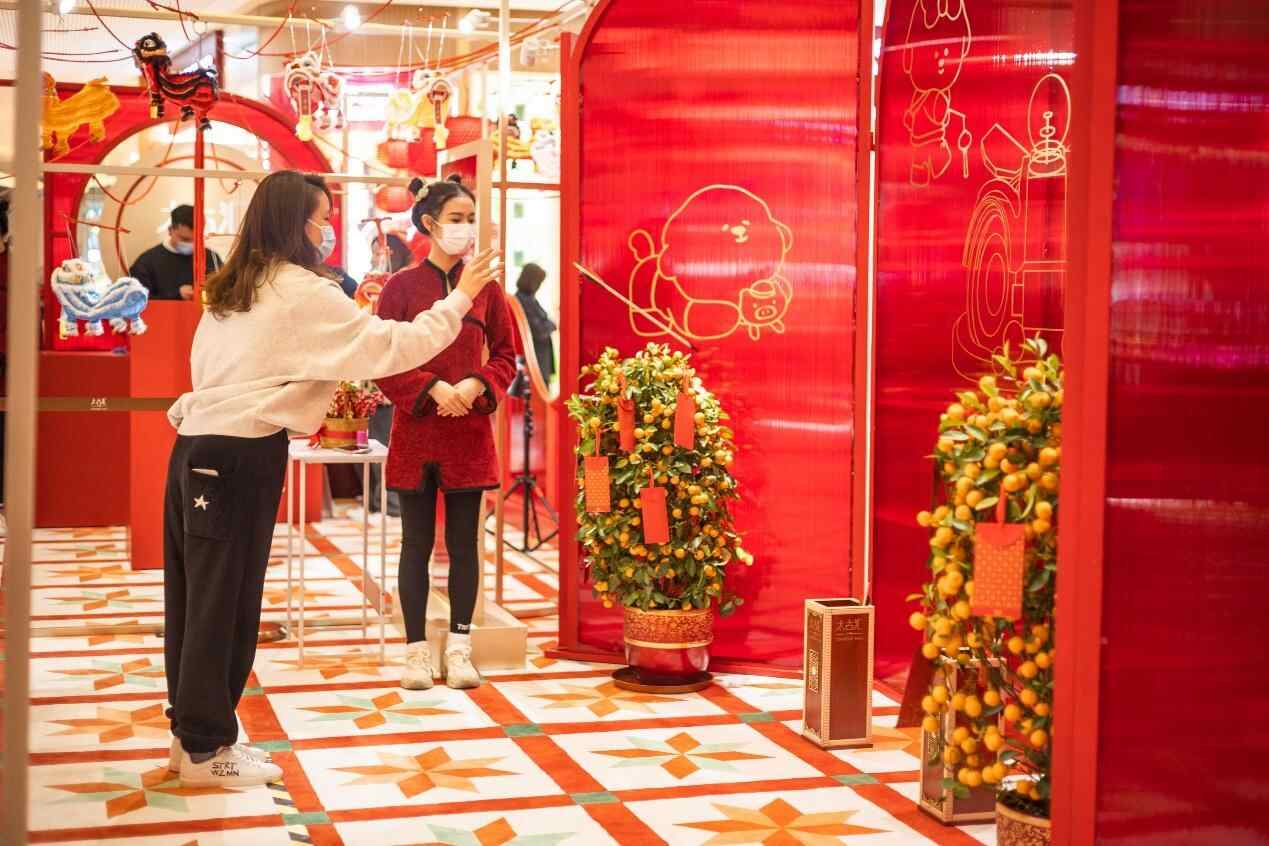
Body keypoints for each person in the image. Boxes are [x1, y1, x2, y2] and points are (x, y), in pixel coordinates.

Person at [162, 170, 499, 788]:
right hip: (238, 455)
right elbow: (390, 346)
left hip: (198, 448)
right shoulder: (300, 291)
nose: (327, 232)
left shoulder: (236, 285)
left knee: (198, 598)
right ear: (296, 223)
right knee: (224, 602)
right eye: (321, 220)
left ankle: (195, 738)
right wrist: (461, 298)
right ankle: (206, 750)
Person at [375, 175, 516, 691]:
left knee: (464, 544)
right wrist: (432, 388)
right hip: (417, 432)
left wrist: (477, 383)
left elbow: (507, 356)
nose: (466, 229)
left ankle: (459, 648)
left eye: (471, 219)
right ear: (430, 224)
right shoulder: (399, 288)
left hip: (468, 432)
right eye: (456, 219)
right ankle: (415, 651)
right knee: (414, 543)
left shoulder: (488, 290)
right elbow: (382, 358)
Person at [368, 232, 415, 517]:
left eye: (380, 252)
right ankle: (379, 500)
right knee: (377, 441)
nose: (376, 257)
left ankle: (391, 503)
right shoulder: (373, 282)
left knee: (388, 442)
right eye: (374, 252)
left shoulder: (404, 283)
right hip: (377, 373)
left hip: (399, 372)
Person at [129, 204, 222, 300]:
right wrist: (176, 295)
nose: (191, 243)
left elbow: (224, 293)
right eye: (185, 239)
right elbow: (136, 300)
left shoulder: (211, 258)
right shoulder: (147, 263)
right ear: (170, 230)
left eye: (197, 238)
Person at [514, 263, 557, 384]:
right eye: (539, 282)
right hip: (535, 360)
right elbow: (539, 331)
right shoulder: (524, 301)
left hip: (539, 359)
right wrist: (552, 324)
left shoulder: (529, 299)